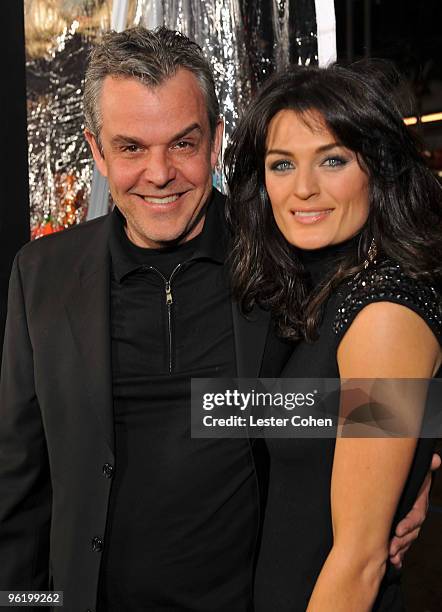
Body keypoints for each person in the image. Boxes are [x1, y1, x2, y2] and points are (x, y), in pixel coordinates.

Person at [0, 27, 436, 612]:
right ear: (97, 152)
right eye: (131, 148)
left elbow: (377, 381)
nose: (159, 174)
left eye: (182, 143)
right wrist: (27, 605)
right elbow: (19, 486)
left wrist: (410, 476)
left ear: (215, 142)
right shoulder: (43, 274)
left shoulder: (285, 255)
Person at [225, 61, 442, 611]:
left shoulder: (385, 316)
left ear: (381, 168)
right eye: (281, 164)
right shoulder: (317, 294)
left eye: (333, 160)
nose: (303, 188)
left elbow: (360, 560)